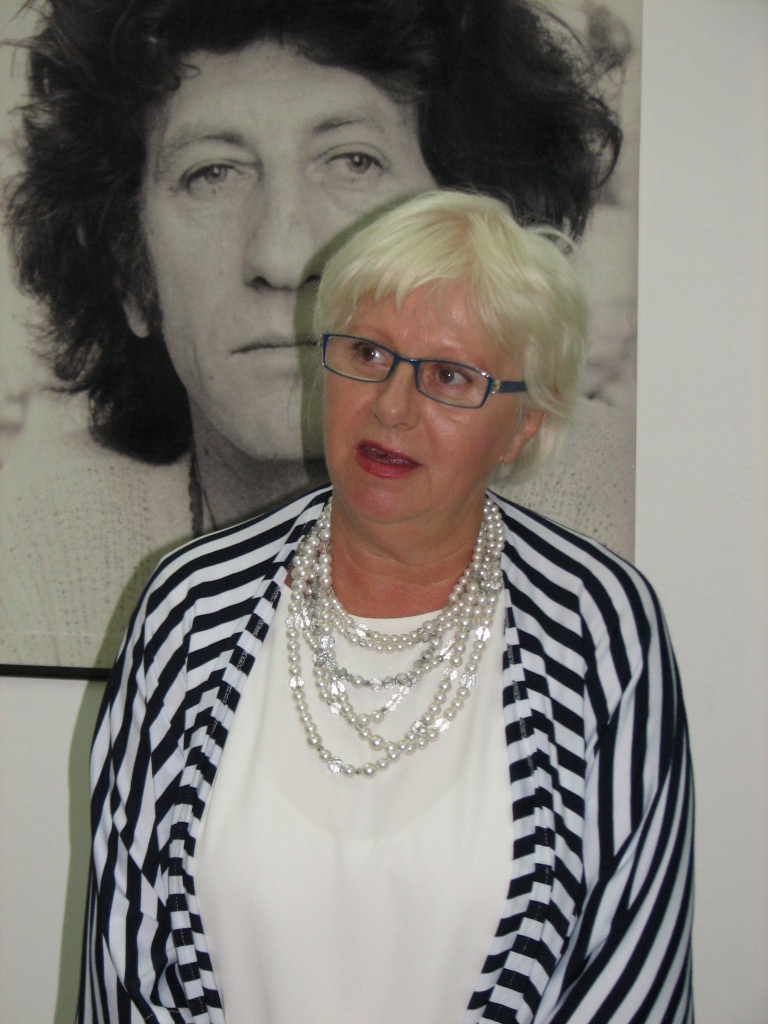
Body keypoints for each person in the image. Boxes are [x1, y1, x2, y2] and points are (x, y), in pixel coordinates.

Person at [79, 191, 693, 1024]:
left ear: (524, 424)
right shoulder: (188, 609)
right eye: (367, 353)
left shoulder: (600, 629)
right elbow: (126, 968)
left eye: (450, 376)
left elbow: (631, 979)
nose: (393, 405)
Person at [0, 0, 633, 672]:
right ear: (132, 273)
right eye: (213, 173)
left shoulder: (613, 509)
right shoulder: (37, 549)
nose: (281, 258)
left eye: (353, 161)